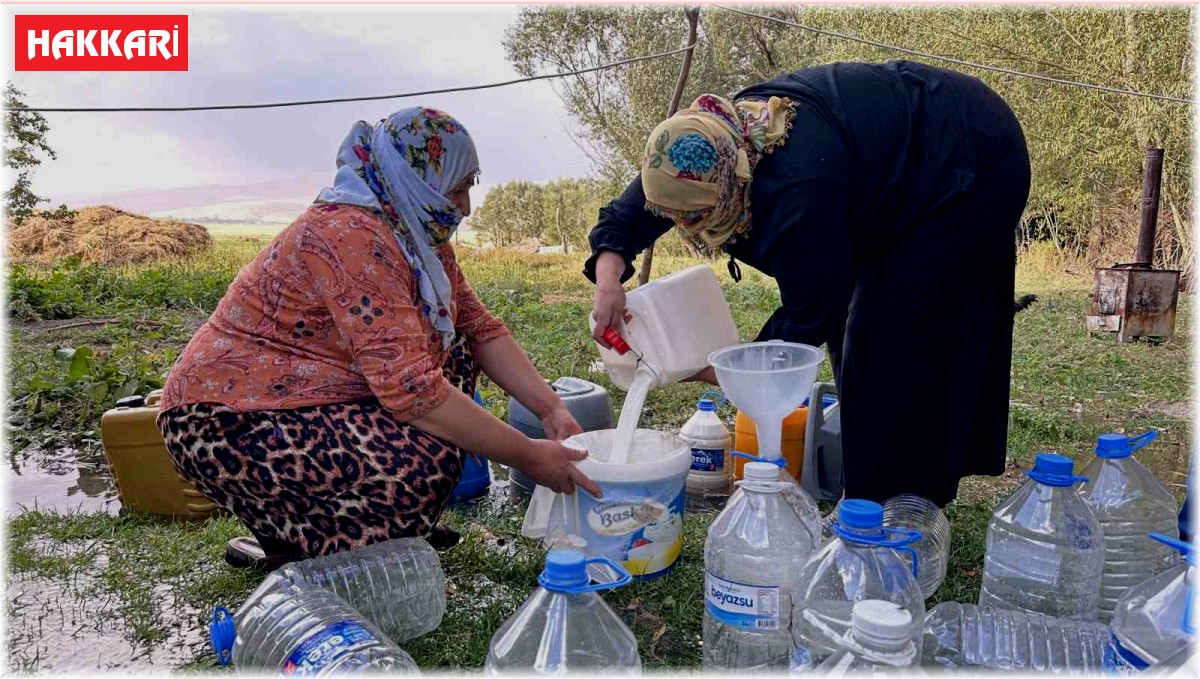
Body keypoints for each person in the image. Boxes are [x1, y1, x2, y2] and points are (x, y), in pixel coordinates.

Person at [159, 106, 600, 570]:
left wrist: (551, 409)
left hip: (303, 397)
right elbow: (414, 393)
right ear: (419, 175)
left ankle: (352, 533)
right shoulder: (348, 233)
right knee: (418, 468)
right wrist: (530, 455)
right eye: (459, 186)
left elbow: (477, 327)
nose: (465, 206)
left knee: (454, 377)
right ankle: (308, 543)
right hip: (225, 420)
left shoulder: (416, 235)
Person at [585, 60, 1031, 506]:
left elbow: (814, 310)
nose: (685, 227)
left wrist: (726, 372)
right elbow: (638, 210)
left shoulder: (793, 189)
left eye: (696, 217)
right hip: (893, 162)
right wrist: (609, 279)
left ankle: (890, 512)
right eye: (673, 217)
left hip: (967, 161)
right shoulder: (690, 149)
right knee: (858, 341)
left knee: (887, 337)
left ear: (733, 180)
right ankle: (869, 484)